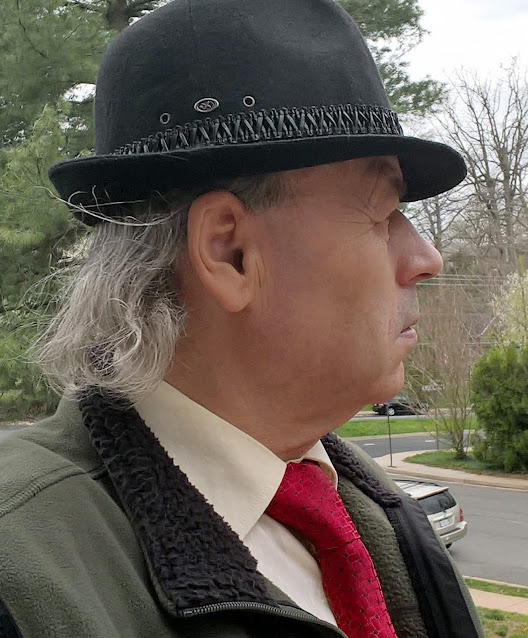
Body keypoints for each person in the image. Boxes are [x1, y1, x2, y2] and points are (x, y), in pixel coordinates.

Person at [0, 1, 484, 637]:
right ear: (229, 252)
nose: (426, 258)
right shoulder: (22, 575)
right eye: (381, 213)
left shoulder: (378, 517)